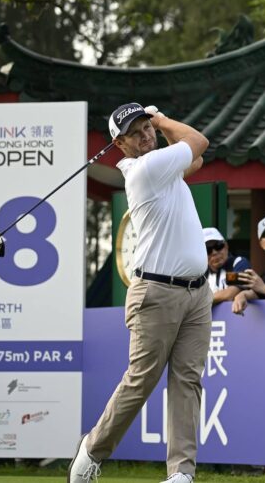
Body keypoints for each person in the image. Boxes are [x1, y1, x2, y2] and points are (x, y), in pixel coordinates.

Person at [69, 103, 211, 483]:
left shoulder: (162, 166)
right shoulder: (145, 170)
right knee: (142, 379)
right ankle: (92, 450)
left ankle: (181, 473)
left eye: (147, 127)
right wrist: (163, 119)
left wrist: (158, 127)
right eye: (136, 132)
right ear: (120, 144)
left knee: (187, 380)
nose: (146, 135)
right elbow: (198, 141)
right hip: (156, 292)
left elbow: (193, 161)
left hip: (197, 294)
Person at [203, 227, 250, 304]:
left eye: (218, 246)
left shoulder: (237, 263)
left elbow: (232, 292)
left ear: (226, 246)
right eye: (208, 250)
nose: (214, 252)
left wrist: (201, 301)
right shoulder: (201, 274)